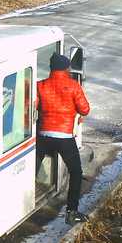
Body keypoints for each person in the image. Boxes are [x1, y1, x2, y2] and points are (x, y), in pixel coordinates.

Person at [36, 53, 91, 225]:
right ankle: (71, 212)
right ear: (66, 68)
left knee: (32, 169)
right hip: (64, 137)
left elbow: (34, 106)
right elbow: (85, 109)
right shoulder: (73, 86)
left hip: (44, 136)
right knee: (76, 172)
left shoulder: (40, 85)